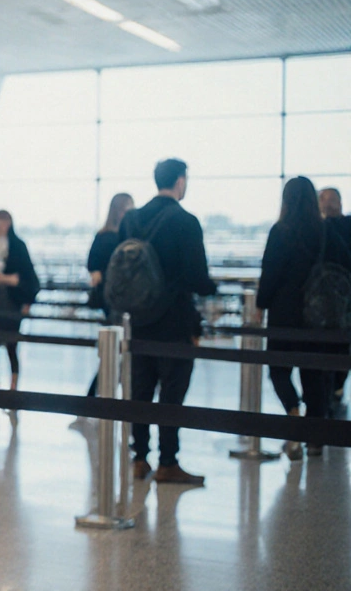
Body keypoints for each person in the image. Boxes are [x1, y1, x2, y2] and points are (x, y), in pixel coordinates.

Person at [121, 159, 216, 485]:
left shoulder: (131, 219)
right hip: (174, 322)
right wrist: (212, 287)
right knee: (172, 396)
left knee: (140, 392)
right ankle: (168, 462)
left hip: (138, 321)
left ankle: (139, 458)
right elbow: (197, 277)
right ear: (179, 181)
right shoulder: (185, 221)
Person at [258, 177, 351, 459]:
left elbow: (270, 274)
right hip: (318, 317)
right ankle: (314, 439)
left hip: (284, 315)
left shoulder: (281, 231)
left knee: (278, 370)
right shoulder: (326, 232)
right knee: (314, 374)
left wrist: (261, 303)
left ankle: (293, 412)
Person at [84, 193, 135, 397]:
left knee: (114, 351)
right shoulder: (123, 238)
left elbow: (93, 267)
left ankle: (98, 395)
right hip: (119, 300)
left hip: (111, 300)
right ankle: (104, 394)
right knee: (116, 351)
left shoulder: (104, 236)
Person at [0, 210, 40, 391]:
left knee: (11, 345)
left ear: (6, 223)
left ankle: (13, 386)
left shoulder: (17, 246)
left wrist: (5, 279)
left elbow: (29, 279)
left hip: (10, 302)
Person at [318, 187, 351, 406]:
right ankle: (331, 387)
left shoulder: (322, 229)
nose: (328, 204)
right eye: (324, 200)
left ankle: (335, 385)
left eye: (332, 200)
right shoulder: (319, 229)